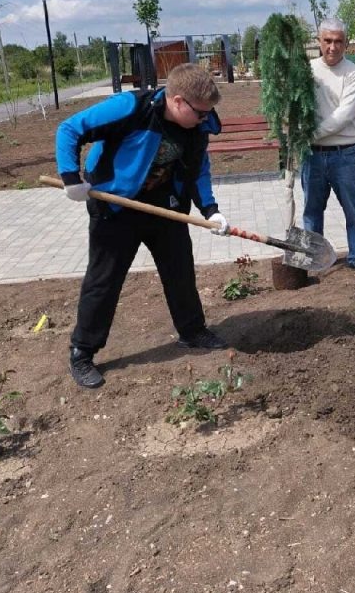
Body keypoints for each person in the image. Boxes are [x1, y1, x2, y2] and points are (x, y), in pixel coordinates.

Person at [56, 63, 231, 389]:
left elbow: (198, 169)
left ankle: (191, 330)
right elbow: (69, 129)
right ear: (178, 101)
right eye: (200, 112)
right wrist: (70, 178)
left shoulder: (198, 125)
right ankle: (82, 352)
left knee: (180, 270)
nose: (205, 118)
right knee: (103, 280)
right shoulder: (131, 108)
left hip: (165, 207)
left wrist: (211, 210)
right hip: (116, 206)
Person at [301, 18, 355, 275]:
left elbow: (343, 117)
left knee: (354, 210)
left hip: (345, 155)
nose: (332, 47)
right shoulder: (306, 72)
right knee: (311, 211)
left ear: (346, 44)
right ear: (319, 41)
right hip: (312, 156)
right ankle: (312, 259)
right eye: (327, 41)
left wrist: (307, 135)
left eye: (338, 41)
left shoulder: (353, 74)